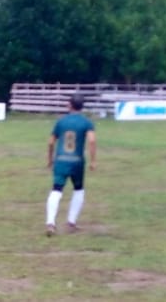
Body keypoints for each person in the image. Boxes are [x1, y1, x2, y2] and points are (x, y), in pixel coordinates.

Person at [45, 94, 96, 236]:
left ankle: (50, 223)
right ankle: (71, 223)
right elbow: (92, 141)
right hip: (77, 161)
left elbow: (50, 142)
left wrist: (50, 159)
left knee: (56, 190)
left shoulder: (61, 122)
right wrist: (93, 161)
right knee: (78, 190)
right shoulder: (87, 123)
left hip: (61, 159)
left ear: (69, 105)